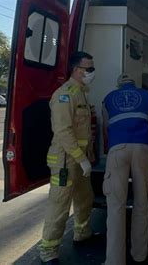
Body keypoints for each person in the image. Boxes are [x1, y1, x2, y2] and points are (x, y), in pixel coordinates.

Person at [102, 73, 148, 265]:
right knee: (141, 203)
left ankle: (114, 261)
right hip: (142, 150)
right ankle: (139, 254)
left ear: (118, 85)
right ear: (134, 85)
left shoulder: (108, 98)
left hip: (117, 150)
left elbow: (106, 127)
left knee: (115, 207)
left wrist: (110, 148)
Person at [39, 52, 96, 264]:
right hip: (65, 161)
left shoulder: (81, 93)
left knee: (84, 198)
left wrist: (86, 158)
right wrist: (82, 159)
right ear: (76, 70)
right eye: (88, 69)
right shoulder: (65, 95)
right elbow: (63, 131)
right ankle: (48, 251)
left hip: (80, 160)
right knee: (59, 205)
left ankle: (82, 233)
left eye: (93, 68)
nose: (92, 72)